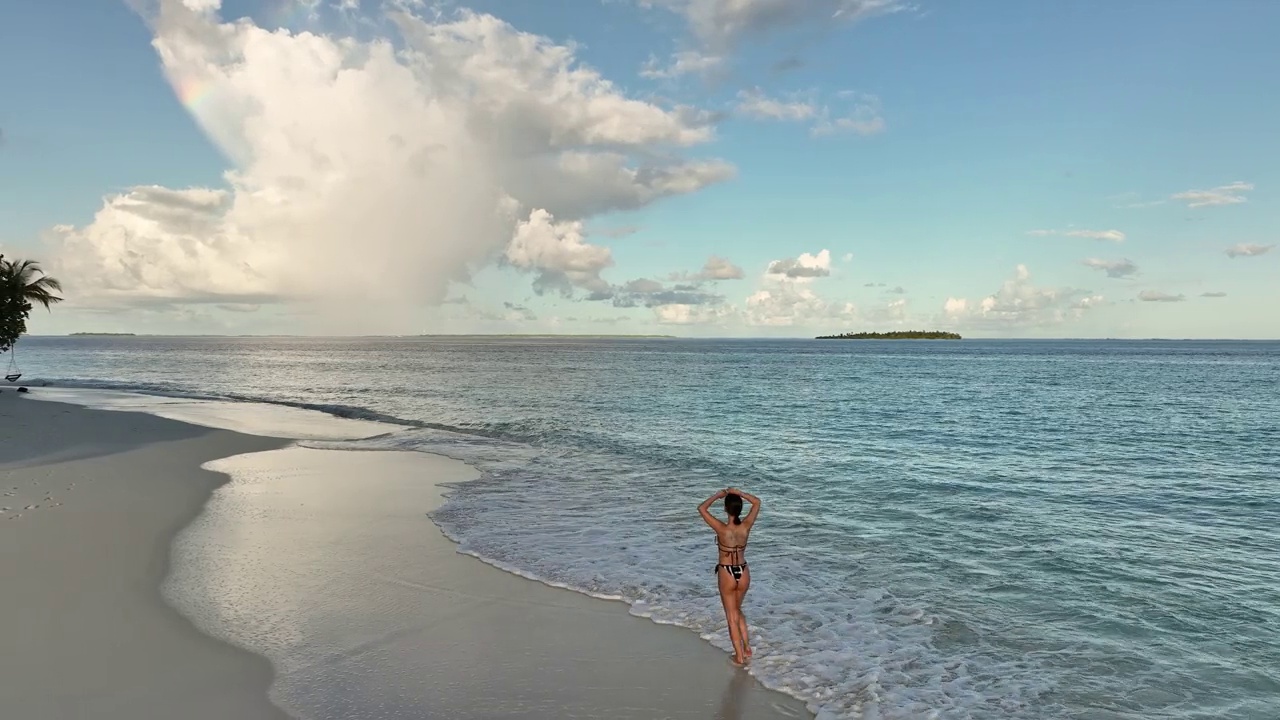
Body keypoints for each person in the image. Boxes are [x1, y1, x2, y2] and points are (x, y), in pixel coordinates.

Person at [698, 486, 761, 666]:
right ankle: (747, 647)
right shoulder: (746, 526)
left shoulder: (721, 529)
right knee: (738, 610)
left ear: (726, 509)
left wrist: (719, 494)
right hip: (743, 571)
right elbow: (757, 502)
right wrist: (739, 493)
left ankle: (739, 657)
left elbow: (701, 508)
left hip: (727, 572)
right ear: (740, 509)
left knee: (731, 615)